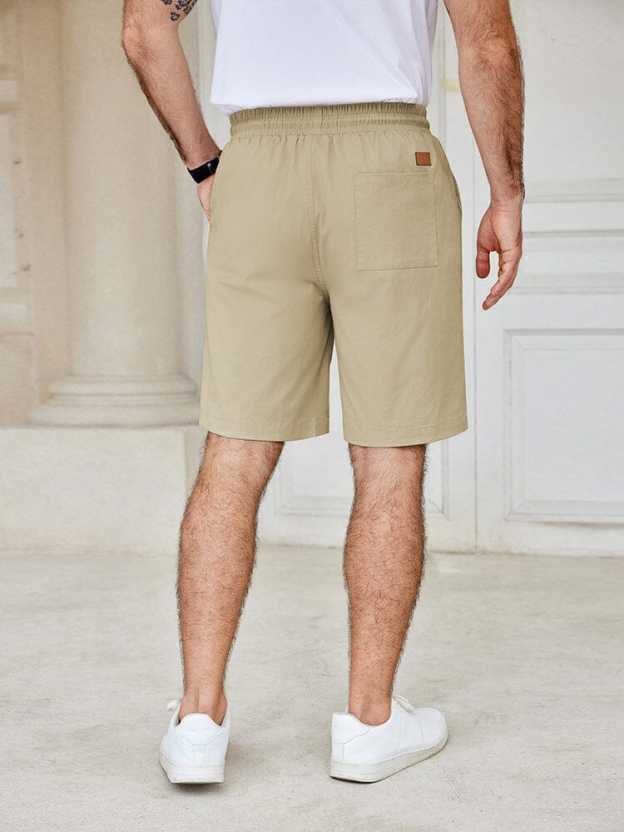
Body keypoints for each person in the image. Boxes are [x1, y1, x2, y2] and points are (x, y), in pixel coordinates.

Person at [122, 0, 524, 785]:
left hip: (257, 167)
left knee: (234, 452)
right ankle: (369, 723)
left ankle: (198, 721)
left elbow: (143, 29)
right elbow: (488, 45)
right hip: (389, 160)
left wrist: (206, 165)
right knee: (389, 455)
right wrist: (506, 194)